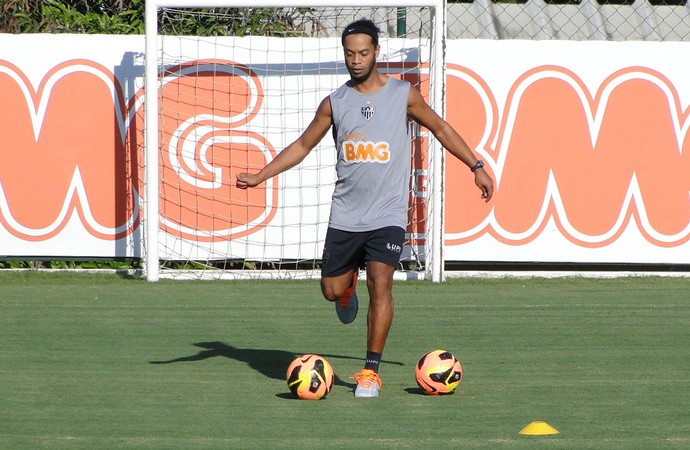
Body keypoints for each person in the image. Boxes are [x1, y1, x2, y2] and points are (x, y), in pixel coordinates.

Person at [236, 19, 494, 398]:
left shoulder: (404, 95)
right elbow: (303, 145)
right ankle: (345, 289)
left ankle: (370, 372)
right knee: (330, 289)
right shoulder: (335, 103)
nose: (356, 60)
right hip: (346, 214)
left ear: (376, 52)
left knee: (382, 283)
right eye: (349, 53)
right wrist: (262, 175)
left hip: (388, 213)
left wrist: (476, 166)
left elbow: (440, 128)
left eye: (363, 52)